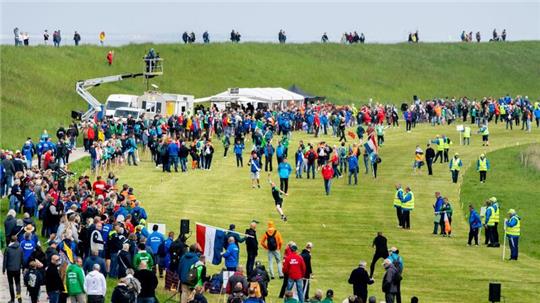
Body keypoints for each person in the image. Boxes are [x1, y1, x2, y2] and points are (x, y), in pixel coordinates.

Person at [3, 236, 23, 303]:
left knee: (11, 284)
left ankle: (12, 299)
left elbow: (5, 260)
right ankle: (19, 298)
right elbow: (22, 258)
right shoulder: (20, 248)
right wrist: (22, 267)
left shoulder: (7, 249)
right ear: (16, 240)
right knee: (18, 284)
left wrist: (3, 269)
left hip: (10, 269)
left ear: (10, 241)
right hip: (17, 269)